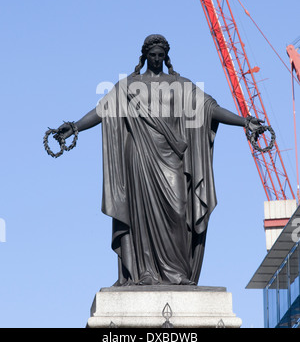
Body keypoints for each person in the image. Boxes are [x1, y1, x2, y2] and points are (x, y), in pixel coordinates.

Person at [55, 34, 262, 286]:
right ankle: (146, 273)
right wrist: (74, 127)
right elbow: (102, 110)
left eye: (160, 55)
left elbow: (210, 108)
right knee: (140, 213)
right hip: (139, 155)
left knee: (178, 210)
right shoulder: (129, 86)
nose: (156, 59)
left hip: (172, 157)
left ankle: (177, 273)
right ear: (144, 56)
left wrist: (244, 121)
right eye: (151, 55)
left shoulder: (180, 85)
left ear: (166, 56)